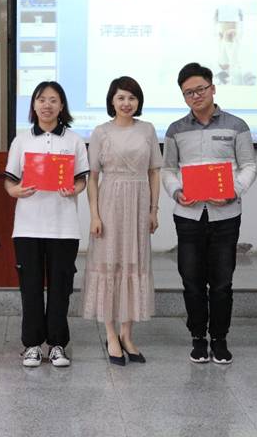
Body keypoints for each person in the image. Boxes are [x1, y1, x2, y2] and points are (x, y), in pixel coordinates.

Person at [161, 62, 257, 365]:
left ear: (212, 88)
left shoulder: (237, 125)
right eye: (188, 92)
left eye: (200, 89)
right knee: (191, 280)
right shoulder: (176, 129)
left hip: (225, 215)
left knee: (222, 282)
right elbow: (168, 169)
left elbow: (249, 166)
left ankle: (219, 338)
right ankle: (198, 339)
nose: (195, 96)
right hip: (188, 216)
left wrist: (234, 191)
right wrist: (176, 191)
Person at [4, 81, 89, 368]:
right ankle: (31, 345)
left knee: (60, 288)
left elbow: (81, 179)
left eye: (53, 100)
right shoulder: (22, 140)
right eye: (41, 99)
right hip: (27, 226)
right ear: (34, 105)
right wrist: (16, 191)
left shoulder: (74, 140)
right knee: (30, 287)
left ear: (62, 105)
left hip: (64, 227)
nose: (47, 105)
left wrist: (74, 189)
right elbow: (9, 182)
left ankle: (57, 344)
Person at [82, 76, 162, 366]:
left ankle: (127, 335)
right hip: (110, 203)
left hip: (138, 204)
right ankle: (111, 335)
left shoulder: (147, 129)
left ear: (138, 101)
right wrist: (94, 214)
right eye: (121, 98)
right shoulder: (101, 132)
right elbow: (92, 177)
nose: (126, 103)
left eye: (132, 97)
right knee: (110, 266)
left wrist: (153, 210)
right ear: (112, 101)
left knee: (133, 265)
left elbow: (154, 172)